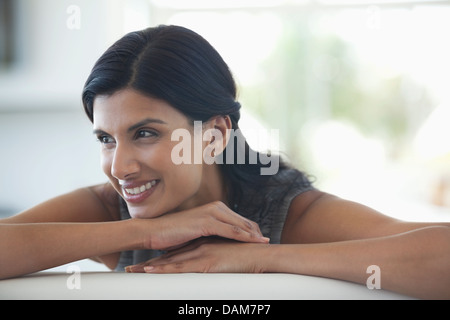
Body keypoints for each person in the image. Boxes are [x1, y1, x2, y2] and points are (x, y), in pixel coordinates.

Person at [0, 25, 449, 299]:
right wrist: (146, 231)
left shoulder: (284, 210)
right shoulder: (109, 210)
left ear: (213, 136)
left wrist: (262, 261)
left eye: (145, 134)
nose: (120, 167)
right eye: (105, 139)